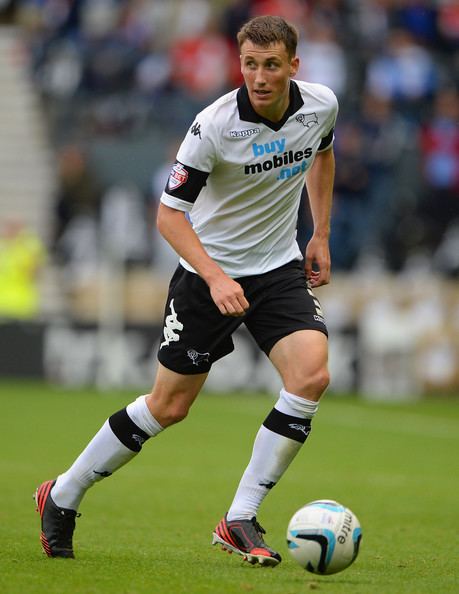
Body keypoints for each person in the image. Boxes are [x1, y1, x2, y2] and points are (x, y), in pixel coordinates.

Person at [35, 15, 338, 566]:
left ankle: (240, 517)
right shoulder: (214, 126)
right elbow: (170, 216)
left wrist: (318, 232)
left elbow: (322, 153)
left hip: (278, 269)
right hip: (207, 277)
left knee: (311, 374)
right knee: (168, 407)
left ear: (294, 66)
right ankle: (62, 495)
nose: (260, 76)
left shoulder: (321, 104)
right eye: (250, 64)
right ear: (239, 64)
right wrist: (216, 277)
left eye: (272, 65)